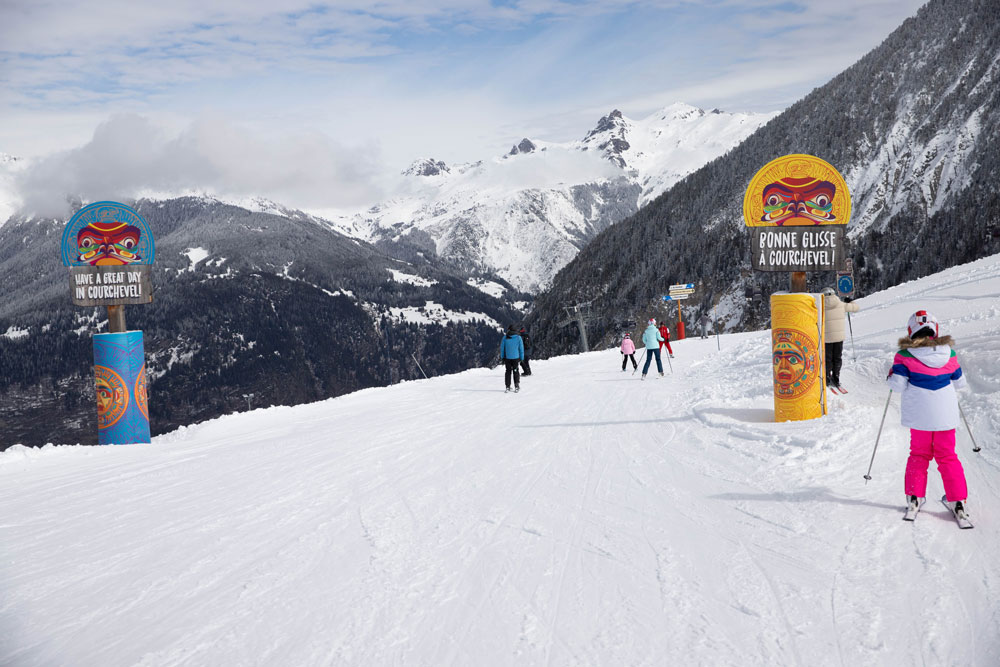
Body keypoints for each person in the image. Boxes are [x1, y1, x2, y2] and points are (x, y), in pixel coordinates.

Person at [887, 310, 969, 517]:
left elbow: (897, 386)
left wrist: (891, 375)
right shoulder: (949, 353)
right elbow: (960, 383)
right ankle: (958, 502)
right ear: (935, 329)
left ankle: (914, 499)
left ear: (911, 331)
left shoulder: (904, 355)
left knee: (919, 454)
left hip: (920, 414)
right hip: (945, 414)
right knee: (947, 456)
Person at [822, 287, 860, 389]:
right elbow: (855, 308)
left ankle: (826, 377)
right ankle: (836, 376)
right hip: (839, 338)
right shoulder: (841, 305)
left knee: (828, 358)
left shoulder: (820, 306)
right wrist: (850, 301)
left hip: (826, 338)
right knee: (837, 358)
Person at [499, 325, 524, 393]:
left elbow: (502, 349)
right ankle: (516, 385)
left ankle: (507, 386)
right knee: (515, 371)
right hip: (516, 358)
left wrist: (502, 357)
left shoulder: (505, 337)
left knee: (508, 371)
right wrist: (521, 358)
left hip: (507, 358)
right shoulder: (518, 338)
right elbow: (521, 349)